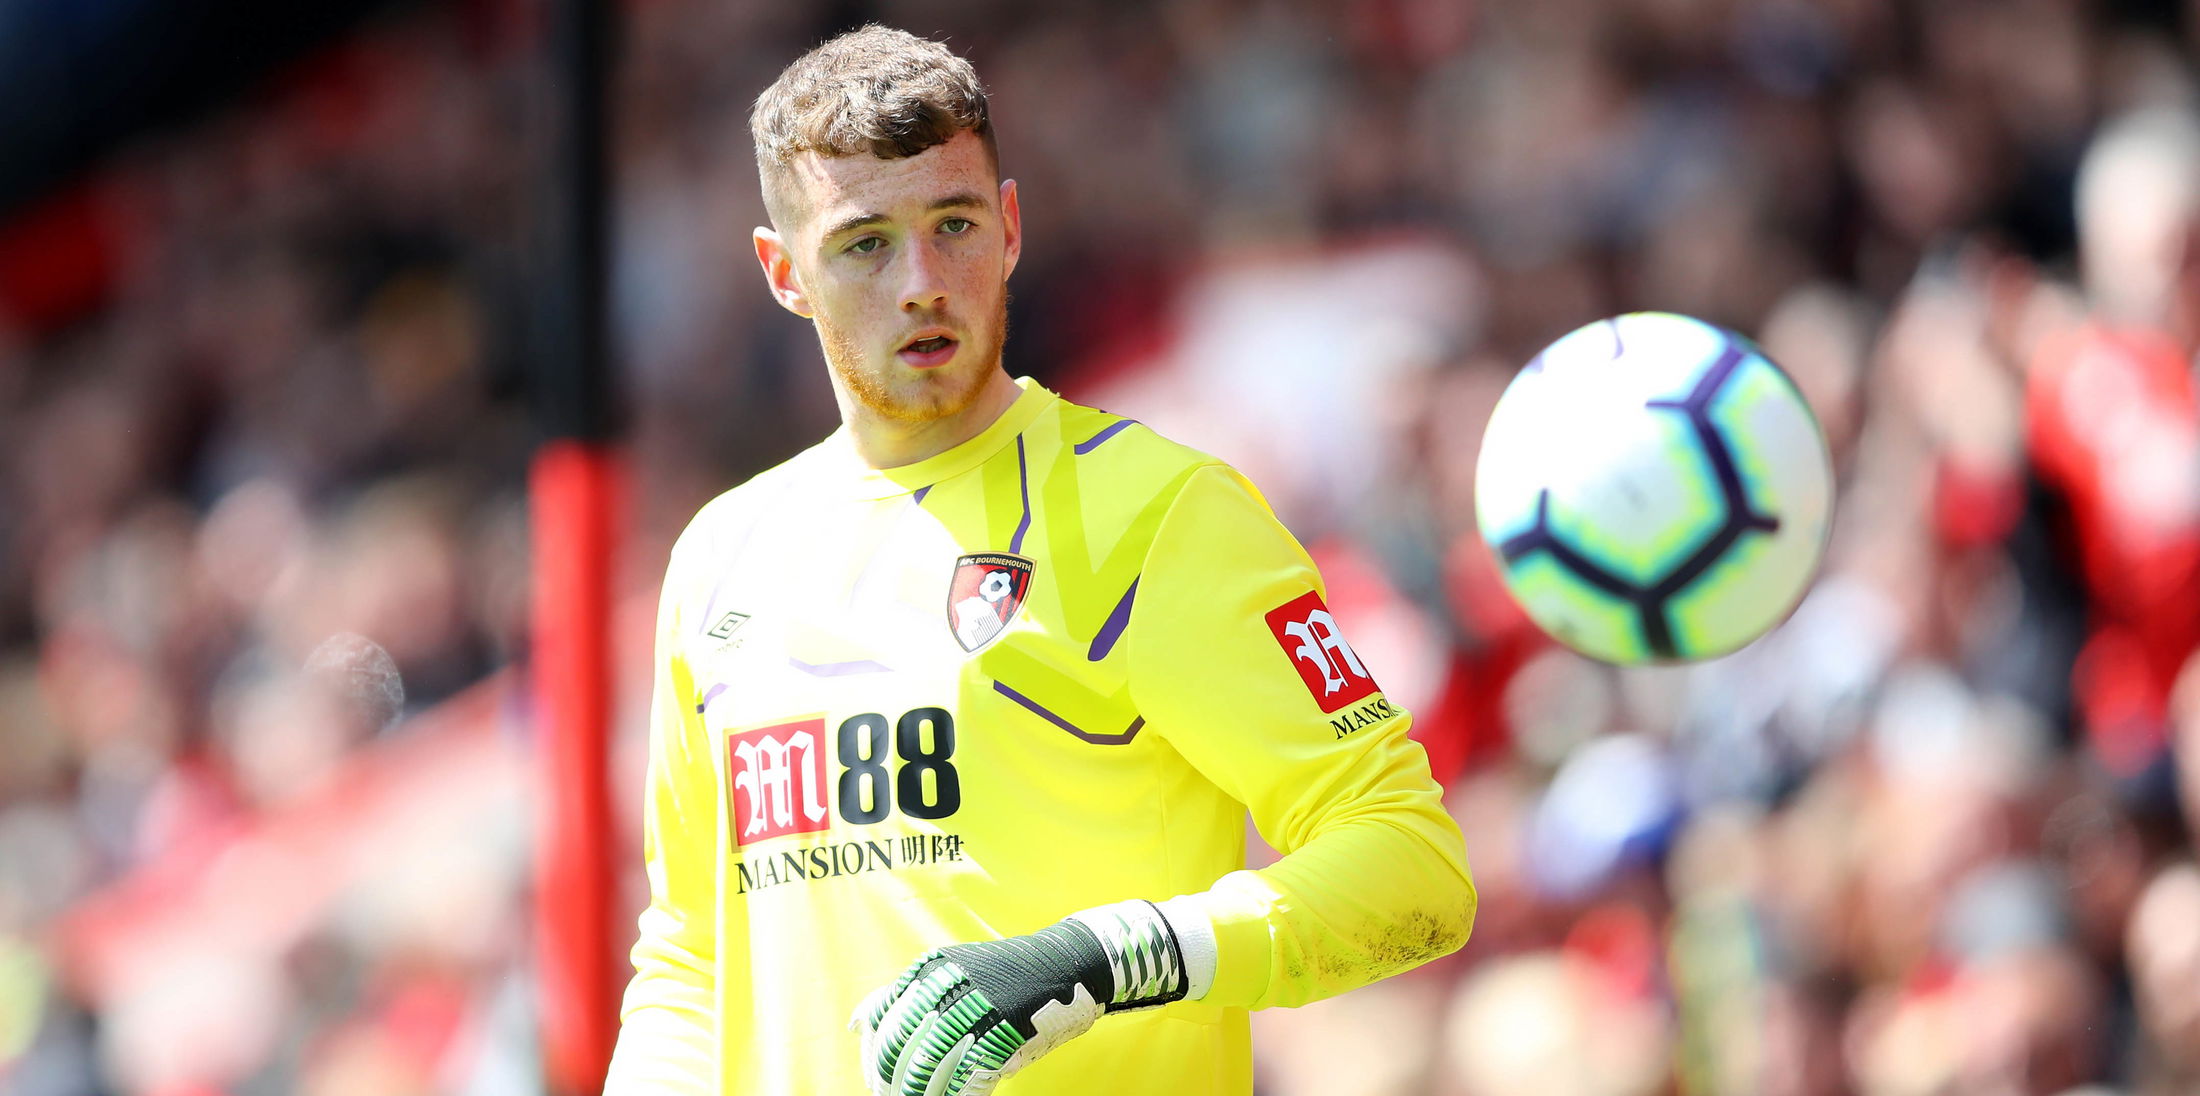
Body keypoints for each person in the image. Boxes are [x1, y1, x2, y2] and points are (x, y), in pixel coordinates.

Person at [602, 25, 1476, 1096]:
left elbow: (1412, 870)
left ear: (1010, 227)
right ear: (786, 273)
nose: (922, 280)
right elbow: (693, 951)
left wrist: (1109, 958)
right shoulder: (720, 558)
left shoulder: (1157, 512)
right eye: (864, 243)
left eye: (954, 224)